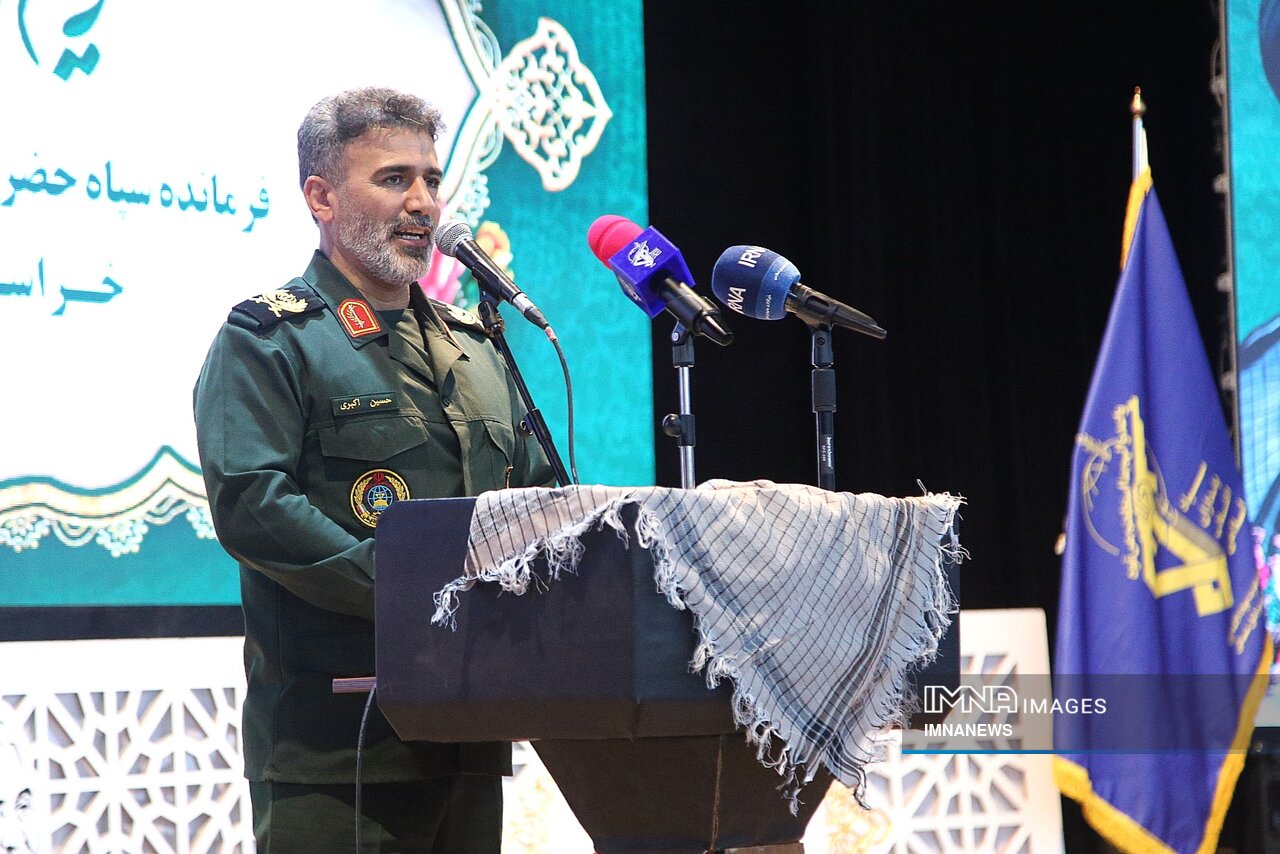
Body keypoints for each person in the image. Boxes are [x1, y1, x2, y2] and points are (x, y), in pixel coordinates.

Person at [193, 86, 553, 853]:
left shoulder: (477, 347)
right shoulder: (270, 339)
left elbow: (531, 500)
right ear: (320, 197)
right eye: (394, 179)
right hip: (335, 747)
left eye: (431, 179)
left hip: (469, 733)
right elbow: (254, 505)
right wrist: (411, 595)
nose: (422, 201)